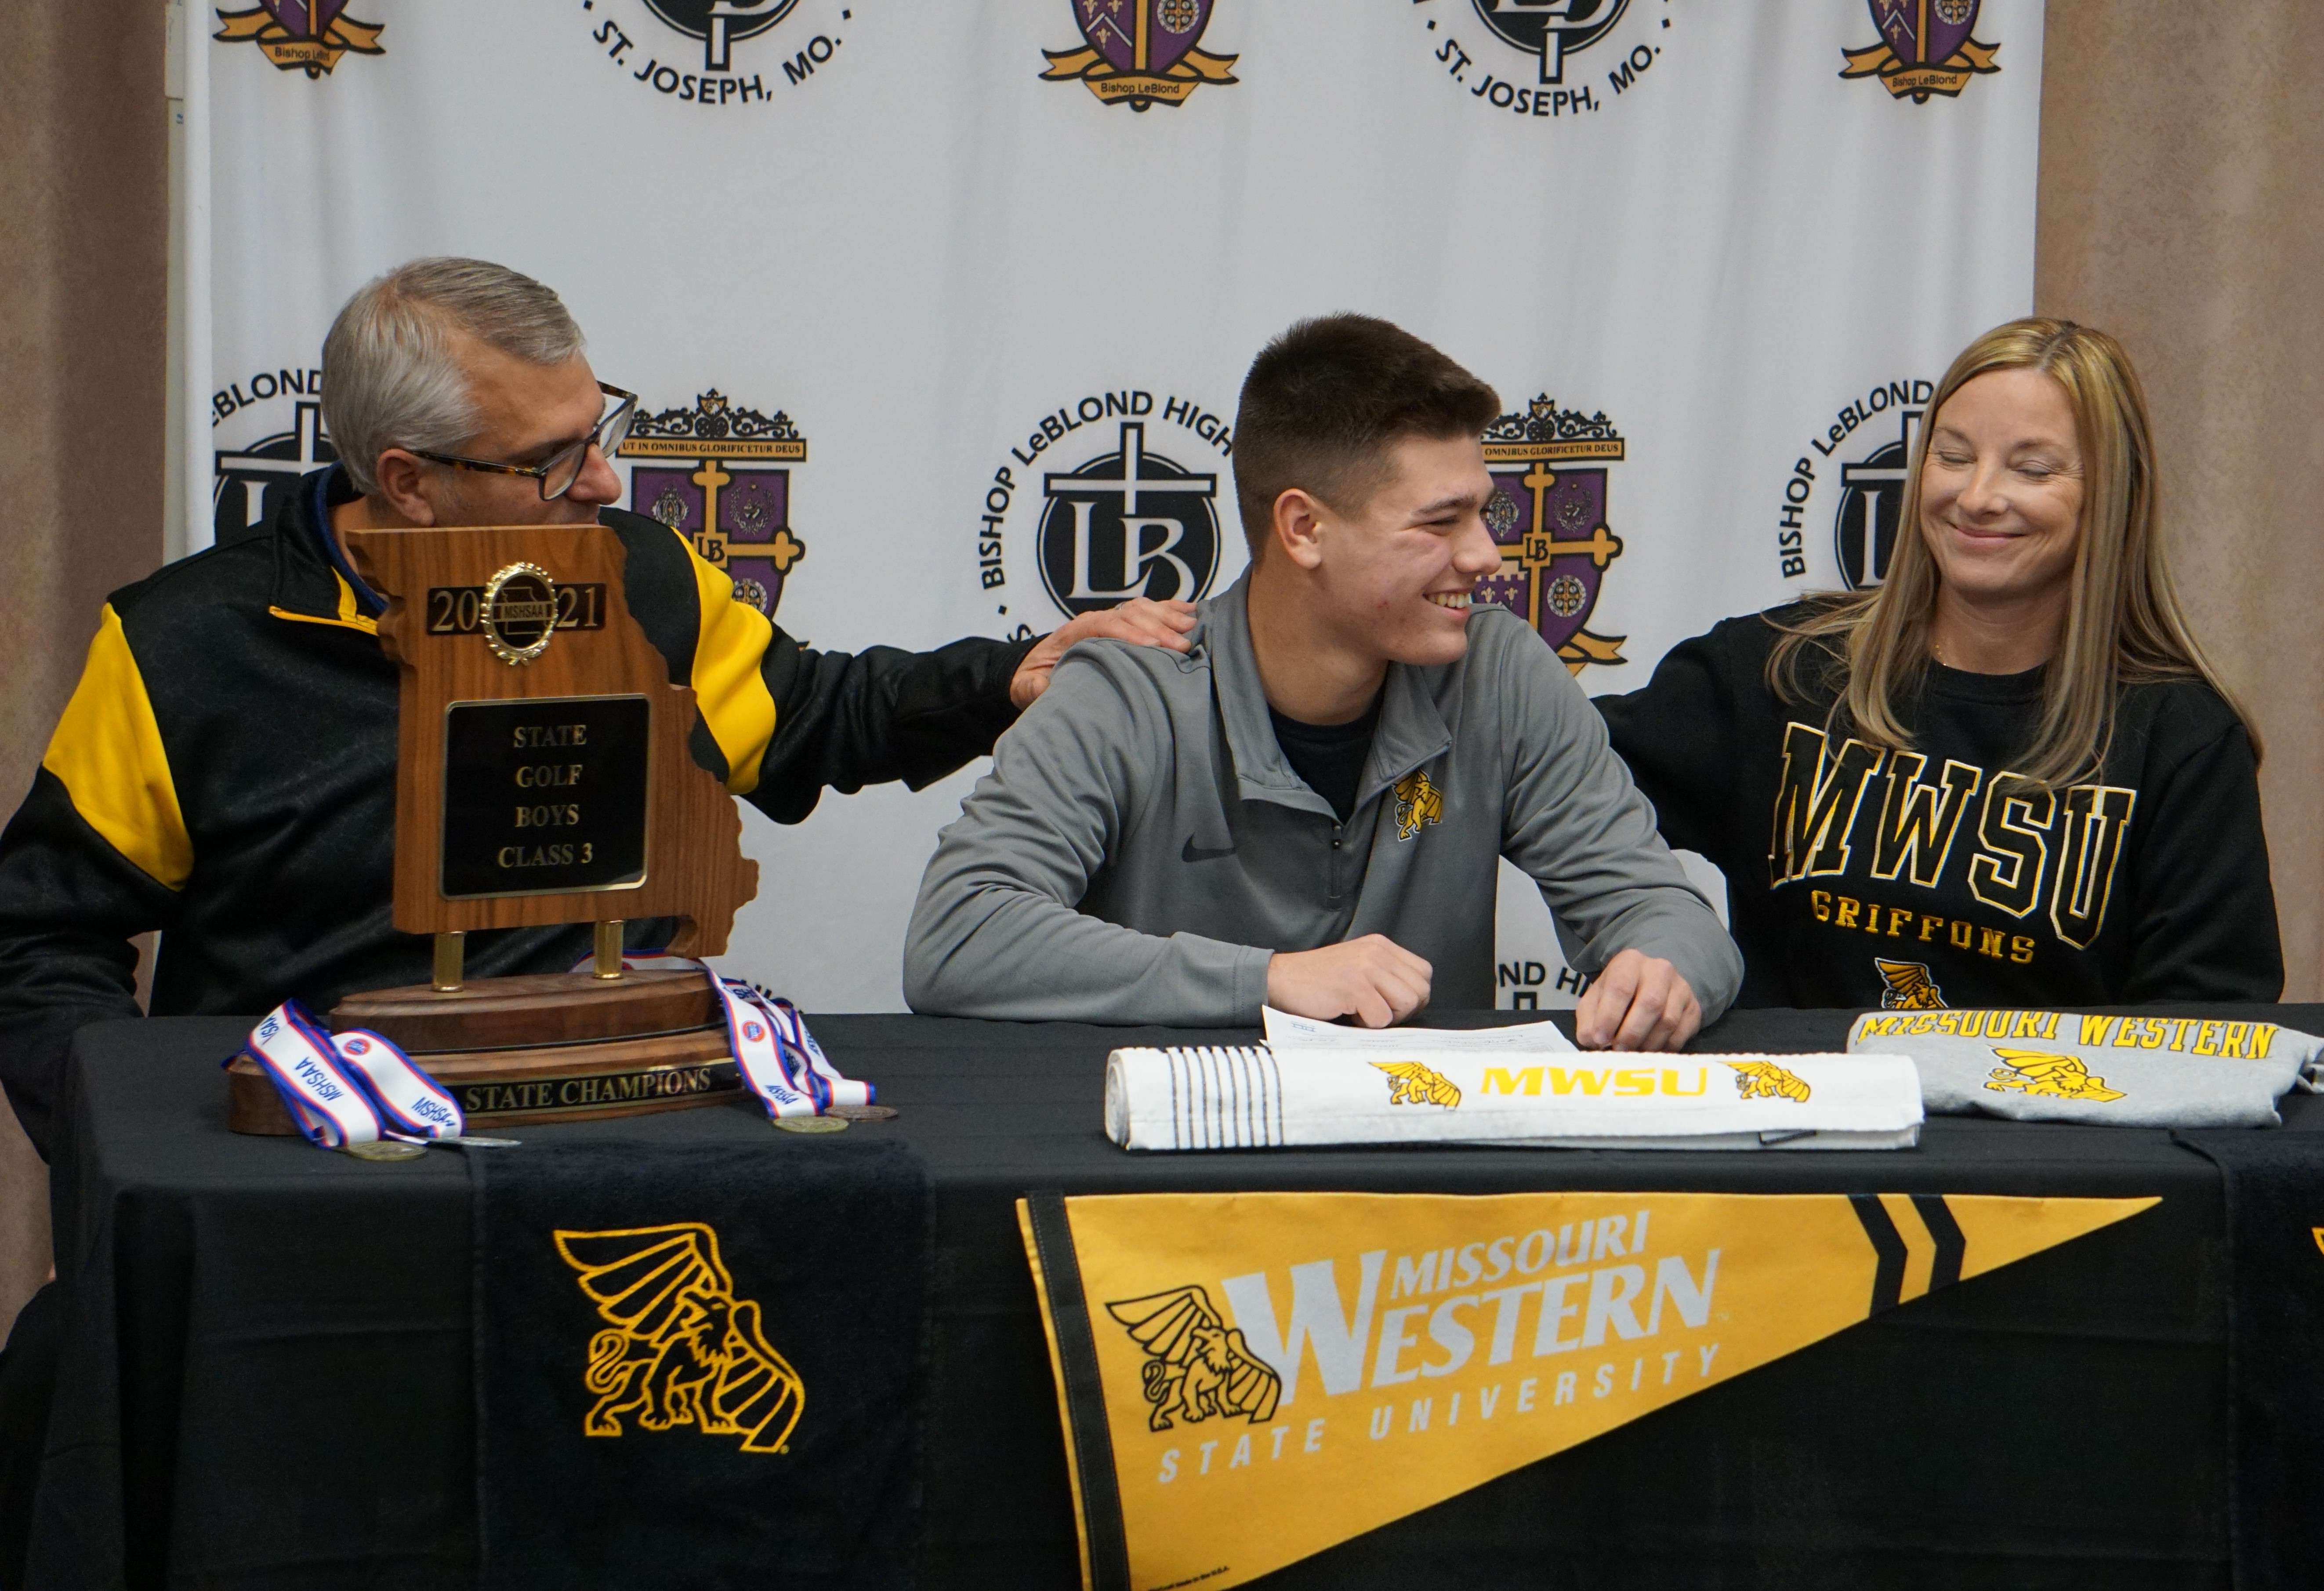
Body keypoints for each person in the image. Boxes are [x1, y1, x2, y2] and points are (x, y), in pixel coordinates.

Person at [0, 256, 1195, 1160]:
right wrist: (131, 1148)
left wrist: (1007, 676)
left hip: (608, 1127)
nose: (609, 482)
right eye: (551, 459)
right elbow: (43, 937)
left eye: (598, 431)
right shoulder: (184, 644)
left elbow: (810, 711)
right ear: (408, 483)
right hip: (325, 1154)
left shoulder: (638, 573)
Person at [904, 314, 1740, 1046]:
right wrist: (1267, 980)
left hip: (1429, 1179)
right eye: (1439, 522)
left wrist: (1663, 971)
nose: (1487, 555)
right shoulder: (1130, 687)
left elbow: (1661, 910)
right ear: (1304, 528)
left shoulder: (1502, 672)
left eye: (1483, 514)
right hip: (1173, 1180)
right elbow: (958, 935)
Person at [1595, 317, 2279, 1010]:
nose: (1978, 497)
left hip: (2054, 1114)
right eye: (1952, 457)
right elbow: (1550, 779)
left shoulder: (2181, 738)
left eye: (2032, 468)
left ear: (2112, 495)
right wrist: (1665, 941)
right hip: (1799, 1111)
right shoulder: (1777, 670)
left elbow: (2205, 1028)